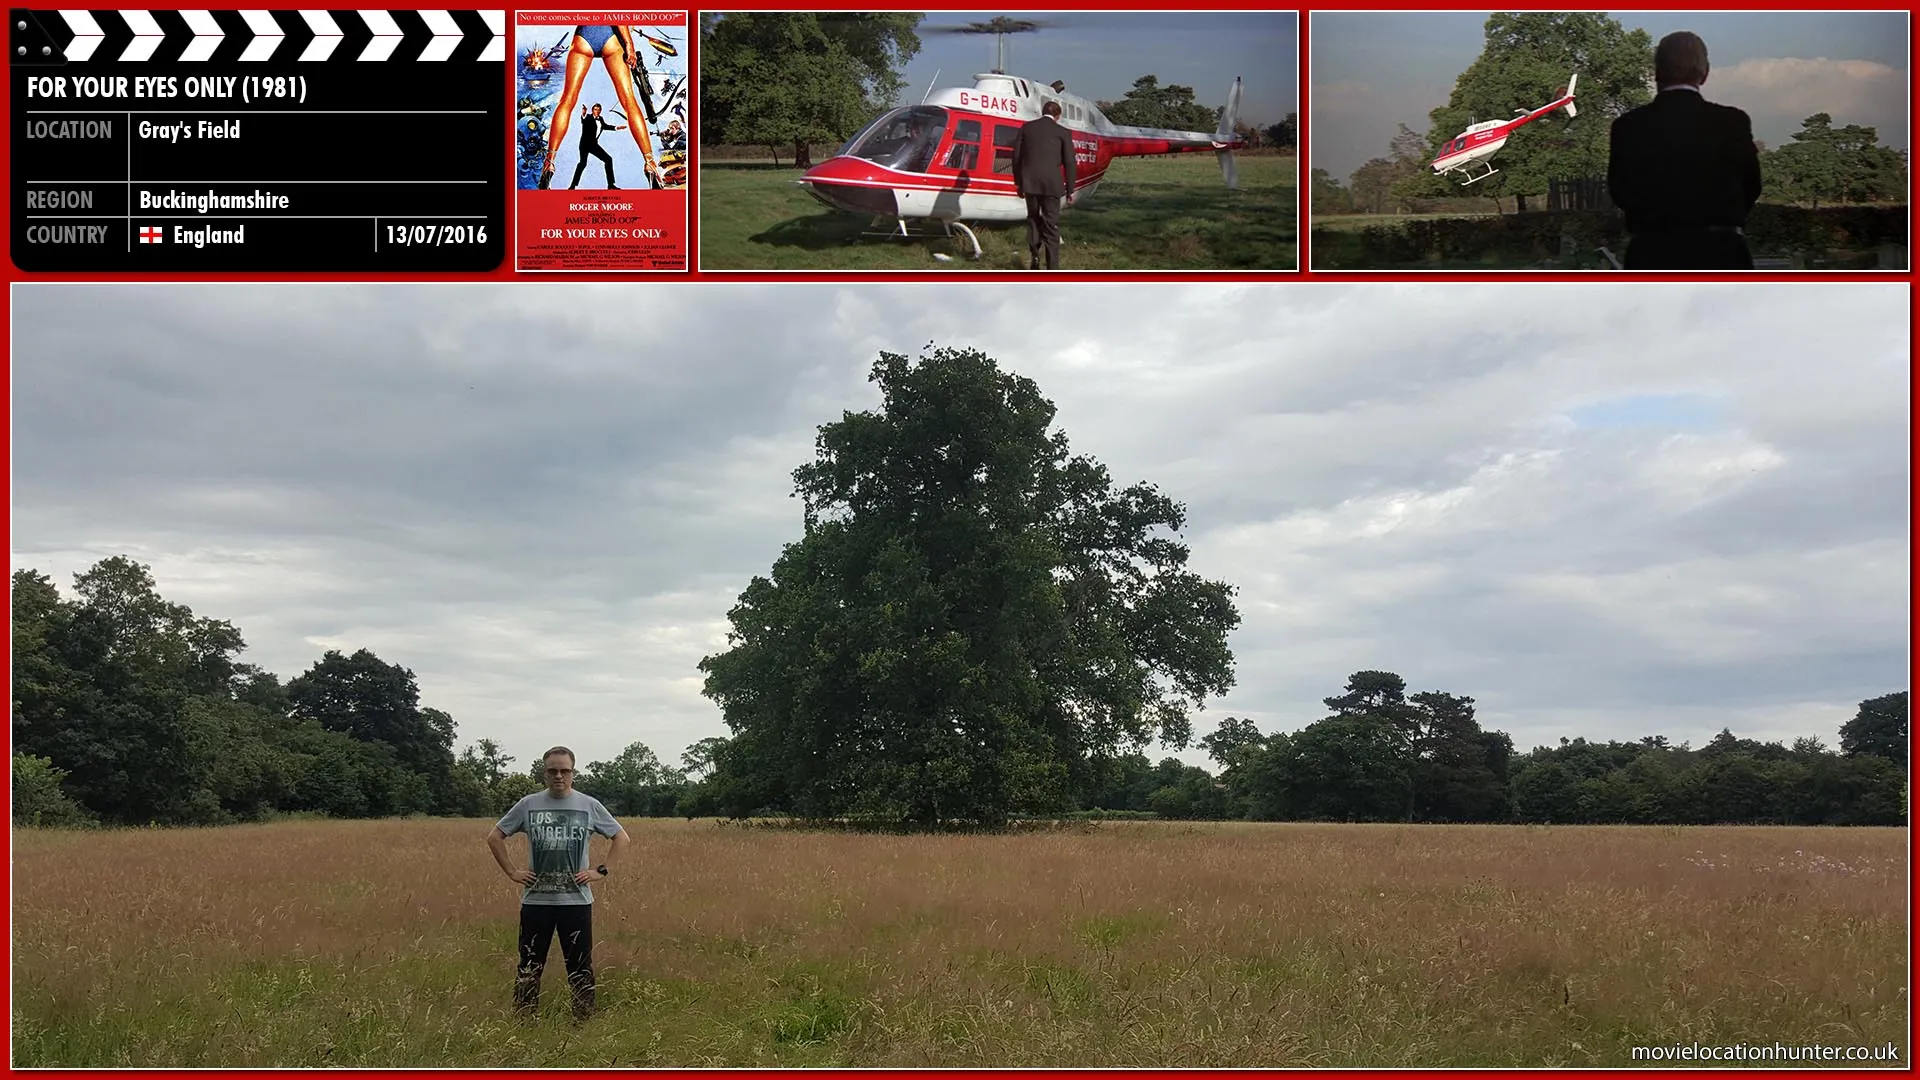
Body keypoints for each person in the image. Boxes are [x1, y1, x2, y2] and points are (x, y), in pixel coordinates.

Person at [487, 746, 630, 1020]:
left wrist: (601, 870)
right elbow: (494, 837)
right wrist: (512, 872)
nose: (559, 776)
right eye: (552, 771)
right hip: (536, 901)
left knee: (580, 966)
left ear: (573, 773)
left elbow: (621, 838)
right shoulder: (528, 804)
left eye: (565, 771)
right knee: (529, 964)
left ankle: (583, 1020)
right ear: (544, 773)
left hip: (576, 902)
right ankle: (524, 1020)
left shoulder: (589, 805)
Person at [1606, 31, 1763, 270]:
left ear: (1657, 71)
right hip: (1722, 254)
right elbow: (1751, 186)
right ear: (1705, 72)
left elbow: (1620, 190)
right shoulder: (1733, 122)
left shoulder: (1628, 126)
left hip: (1652, 254)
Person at [539, 25, 660, 190]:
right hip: (610, 37)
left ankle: (549, 162)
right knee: (629, 102)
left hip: (584, 35)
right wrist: (629, 44)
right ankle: (650, 164)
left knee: (567, 101)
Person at [1012, 100, 1077, 270]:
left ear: (1042, 112)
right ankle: (1052, 267)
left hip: (1030, 183)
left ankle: (1034, 258)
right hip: (1051, 184)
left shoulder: (1026, 128)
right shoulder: (1062, 132)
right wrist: (1070, 188)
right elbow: (1070, 161)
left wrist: (1019, 183)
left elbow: (1016, 158)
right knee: (1051, 224)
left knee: (1033, 219)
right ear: (1058, 116)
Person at [569, 104, 622, 189]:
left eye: (598, 110)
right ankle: (572, 186)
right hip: (585, 144)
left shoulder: (600, 119)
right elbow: (583, 119)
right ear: (592, 110)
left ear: (600, 111)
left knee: (608, 159)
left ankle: (611, 185)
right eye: (595, 109)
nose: (596, 111)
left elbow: (605, 126)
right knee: (582, 164)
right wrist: (584, 113)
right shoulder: (588, 117)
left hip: (593, 144)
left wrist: (616, 128)